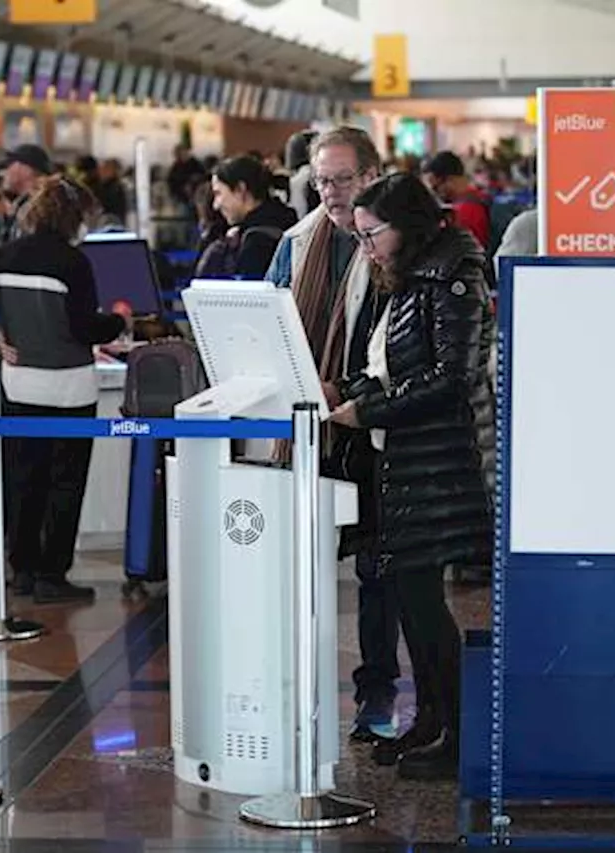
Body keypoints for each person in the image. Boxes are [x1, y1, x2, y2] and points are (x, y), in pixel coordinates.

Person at [327, 173, 493, 780]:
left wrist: (366, 410)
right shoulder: (406, 276)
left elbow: (452, 378)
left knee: (425, 606)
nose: (366, 247)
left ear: (409, 226)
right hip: (404, 461)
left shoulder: (452, 276)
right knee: (410, 599)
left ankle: (456, 737)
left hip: (439, 466)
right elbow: (392, 366)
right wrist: (350, 392)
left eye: (373, 234)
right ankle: (430, 722)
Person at [267, 127, 400, 743]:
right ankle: (302, 689)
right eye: (321, 181)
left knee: (379, 568)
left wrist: (351, 391)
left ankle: (376, 695)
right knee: (306, 566)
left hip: (372, 428)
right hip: (311, 425)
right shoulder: (296, 245)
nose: (331, 193)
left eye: (343, 180)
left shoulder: (397, 245)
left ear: (373, 175)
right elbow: (272, 318)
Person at [0, 176, 128, 604]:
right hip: (70, 388)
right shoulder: (73, 263)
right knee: (65, 482)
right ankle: (53, 574)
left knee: (24, 478)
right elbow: (85, 327)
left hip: (20, 383)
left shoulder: (6, 256)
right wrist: (119, 319)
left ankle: (22, 571)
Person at [197, 155, 297, 279]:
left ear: (240, 189)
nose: (215, 205)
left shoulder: (255, 243)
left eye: (218, 193)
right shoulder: (291, 223)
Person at [422, 151, 490, 251]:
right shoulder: (481, 197)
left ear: (450, 180)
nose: (435, 194)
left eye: (435, 188)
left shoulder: (465, 211)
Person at [0, 144, 55, 242]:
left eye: (8, 166)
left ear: (25, 170)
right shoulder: (27, 205)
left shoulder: (36, 211)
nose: (3, 173)